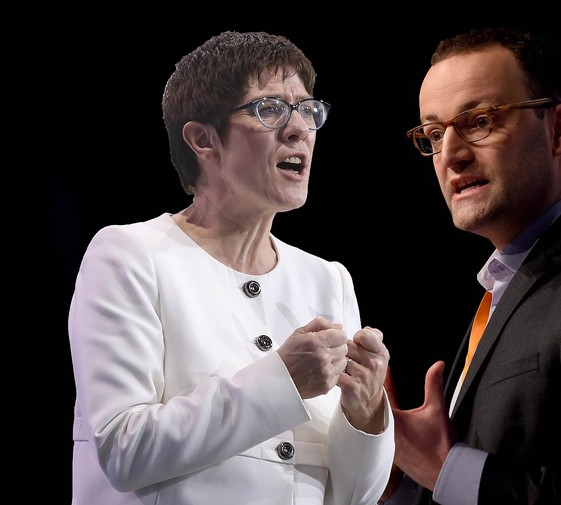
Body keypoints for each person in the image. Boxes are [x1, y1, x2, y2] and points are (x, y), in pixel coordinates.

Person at [69, 31, 394, 505]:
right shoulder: (130, 254)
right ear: (204, 140)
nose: (300, 128)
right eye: (270, 109)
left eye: (307, 109)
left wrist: (364, 413)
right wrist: (282, 380)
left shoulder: (327, 279)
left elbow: (354, 496)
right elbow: (123, 449)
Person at [380, 27, 561, 504]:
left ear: (560, 129)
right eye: (434, 133)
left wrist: (447, 470)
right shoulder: (510, 285)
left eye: (480, 121)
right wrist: (401, 481)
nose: (450, 154)